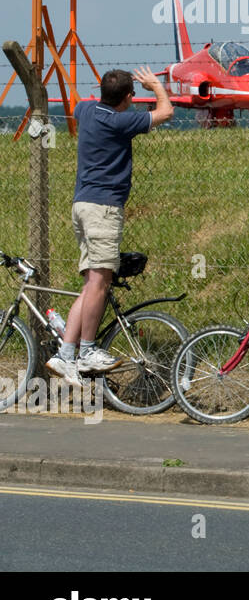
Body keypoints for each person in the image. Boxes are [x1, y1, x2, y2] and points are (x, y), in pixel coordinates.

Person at [49, 68, 174, 384]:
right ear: (128, 98)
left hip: (81, 205)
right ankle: (88, 351)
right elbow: (166, 112)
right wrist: (157, 86)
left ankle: (66, 354)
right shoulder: (121, 122)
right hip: (103, 209)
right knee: (101, 283)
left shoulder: (86, 111)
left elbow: (77, 103)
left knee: (92, 283)